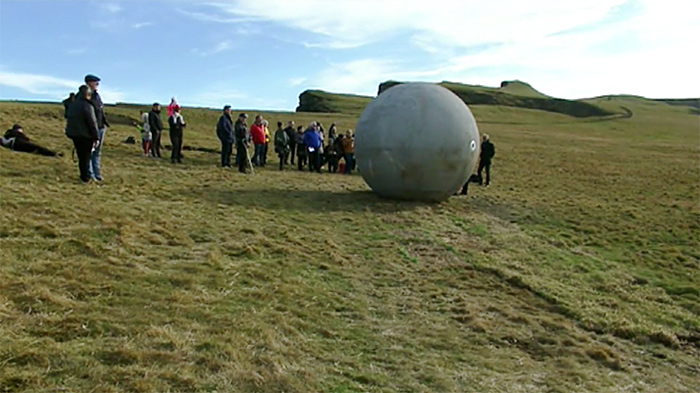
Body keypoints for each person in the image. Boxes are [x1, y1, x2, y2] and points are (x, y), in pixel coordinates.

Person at [65, 85, 99, 183]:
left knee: (81, 156)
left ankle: (84, 175)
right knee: (86, 157)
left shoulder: (73, 105)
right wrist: (96, 136)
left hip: (74, 134)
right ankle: (86, 177)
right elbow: (92, 122)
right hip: (85, 135)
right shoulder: (87, 106)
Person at [85, 74, 109, 181]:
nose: (97, 84)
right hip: (91, 128)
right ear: (89, 83)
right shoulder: (85, 96)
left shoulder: (96, 96)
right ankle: (91, 174)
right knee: (90, 152)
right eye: (95, 82)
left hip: (100, 127)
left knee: (97, 152)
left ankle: (97, 174)